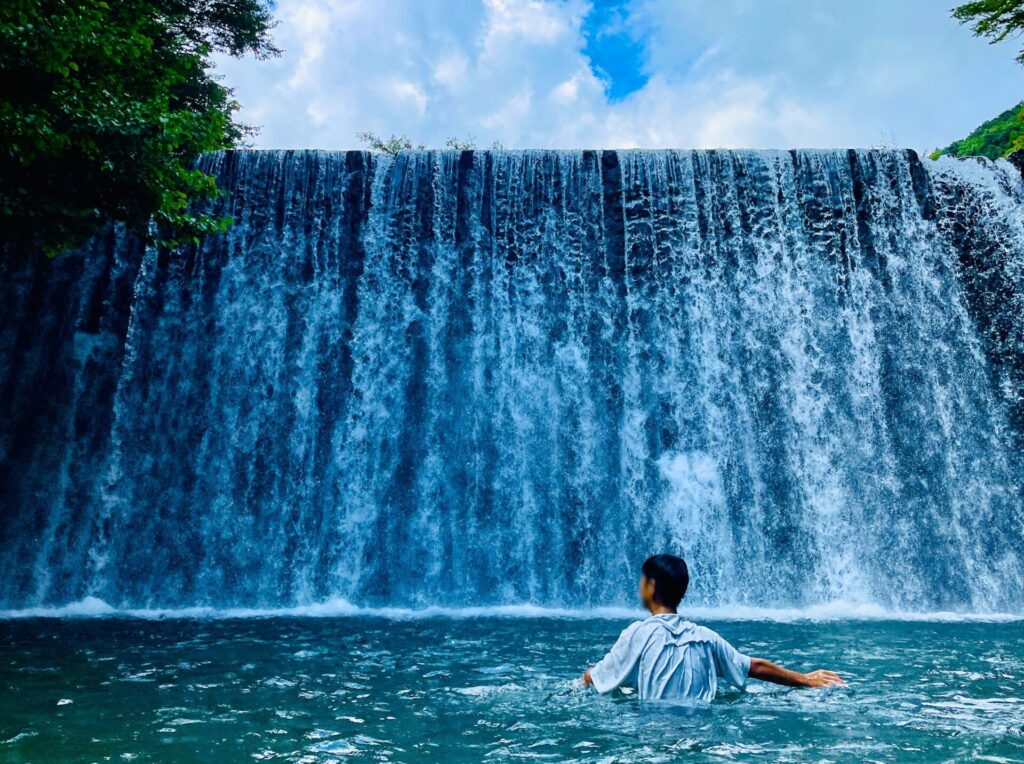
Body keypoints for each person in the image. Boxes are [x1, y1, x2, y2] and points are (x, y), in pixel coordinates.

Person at [582, 554, 846, 702]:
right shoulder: (705, 638)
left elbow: (595, 678)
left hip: (653, 735)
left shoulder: (637, 634)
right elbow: (755, 667)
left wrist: (586, 676)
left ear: (651, 586)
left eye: (641, 580)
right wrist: (806, 679)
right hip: (700, 733)